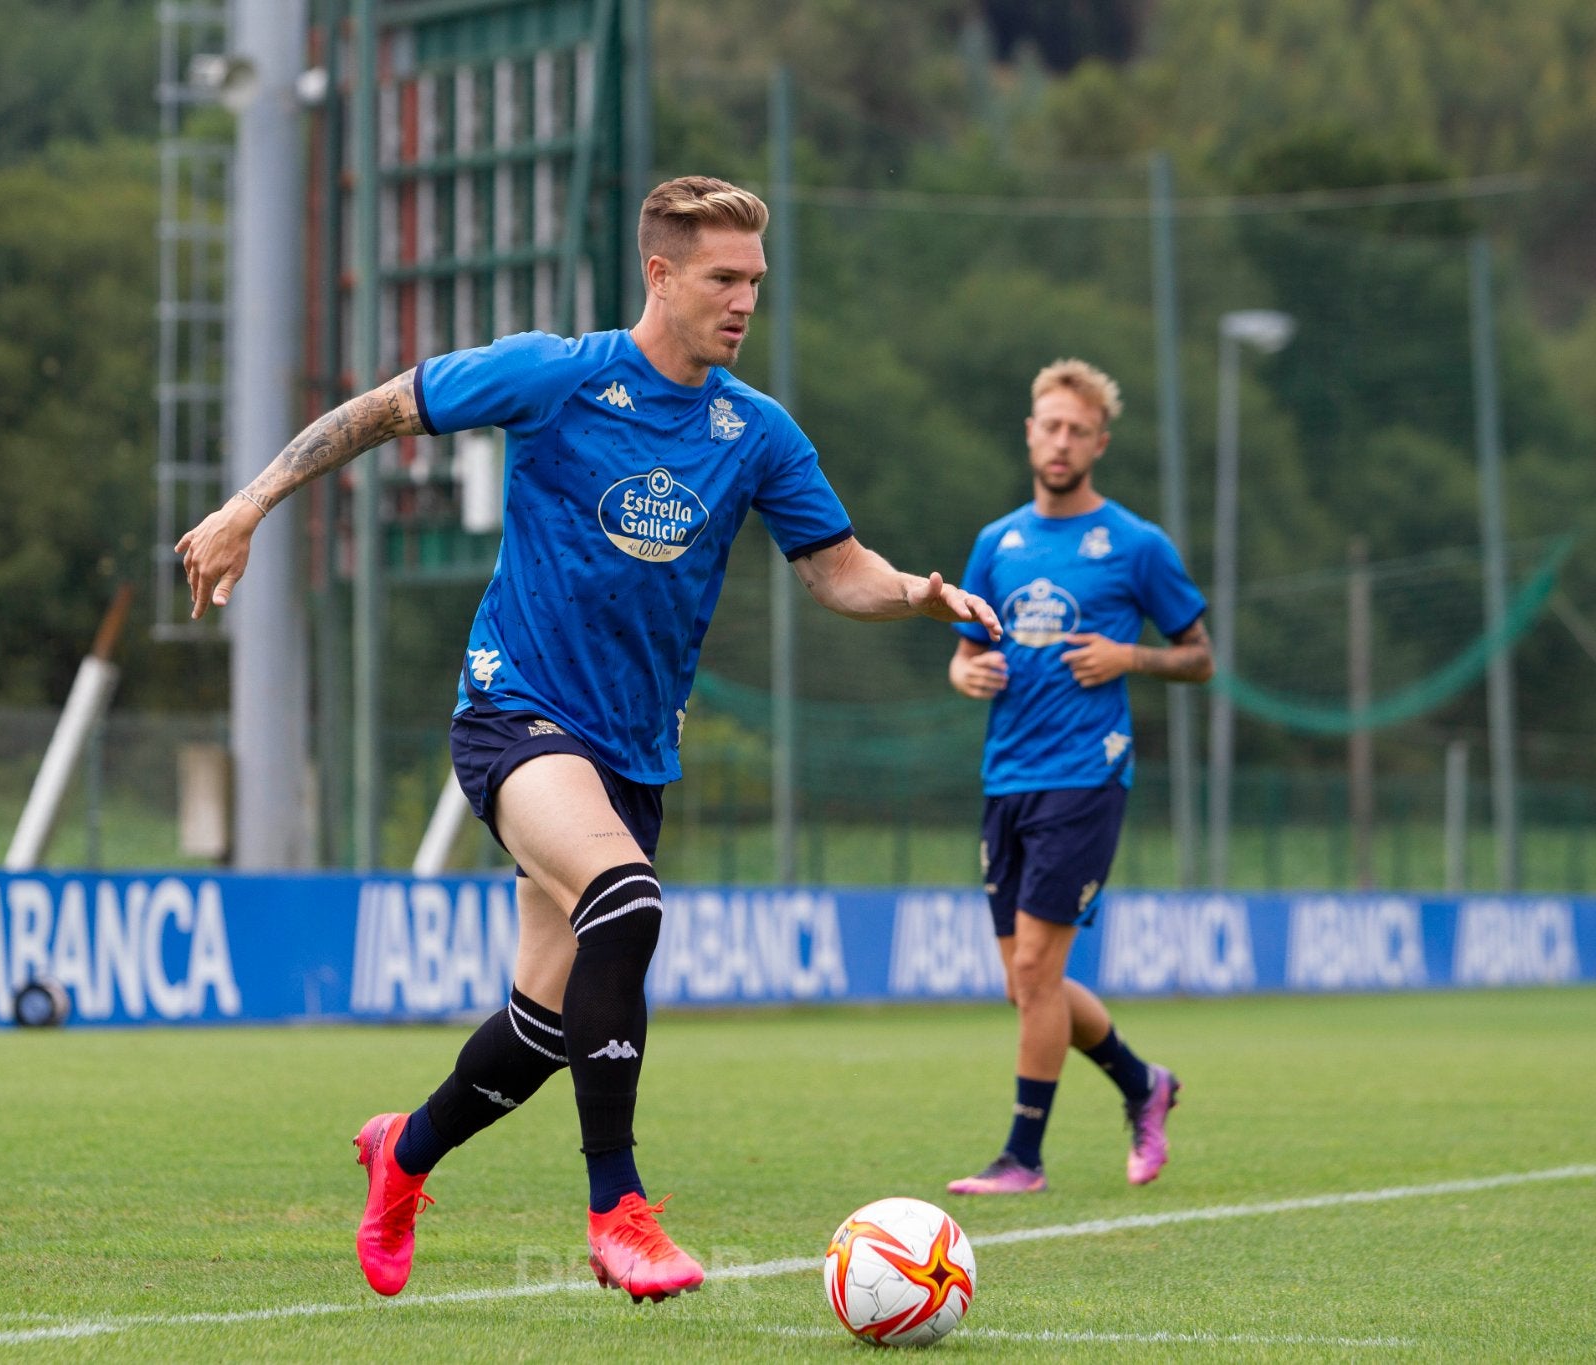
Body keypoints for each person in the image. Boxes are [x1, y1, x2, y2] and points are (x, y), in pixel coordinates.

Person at [177, 175, 1000, 1302]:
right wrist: (246, 506)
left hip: (630, 750)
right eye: (722, 278)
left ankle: (401, 1154)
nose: (743, 301)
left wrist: (916, 595)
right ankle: (617, 1209)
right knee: (628, 899)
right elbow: (378, 409)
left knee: (543, 1025)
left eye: (754, 281)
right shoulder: (558, 374)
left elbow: (833, 570)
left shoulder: (754, 432)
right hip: (514, 711)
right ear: (658, 274)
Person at [943, 358, 1213, 1196]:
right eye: (1049, 425)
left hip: (1086, 774)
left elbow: (1200, 657)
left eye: (1077, 430)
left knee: (1034, 975)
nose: (1061, 441)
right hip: (1006, 775)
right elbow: (965, 653)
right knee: (1029, 981)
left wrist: (1128, 654)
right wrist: (967, 674)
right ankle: (1143, 1084)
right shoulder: (998, 542)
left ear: (1099, 441)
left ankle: (1023, 1156)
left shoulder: (1136, 544)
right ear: (1030, 431)